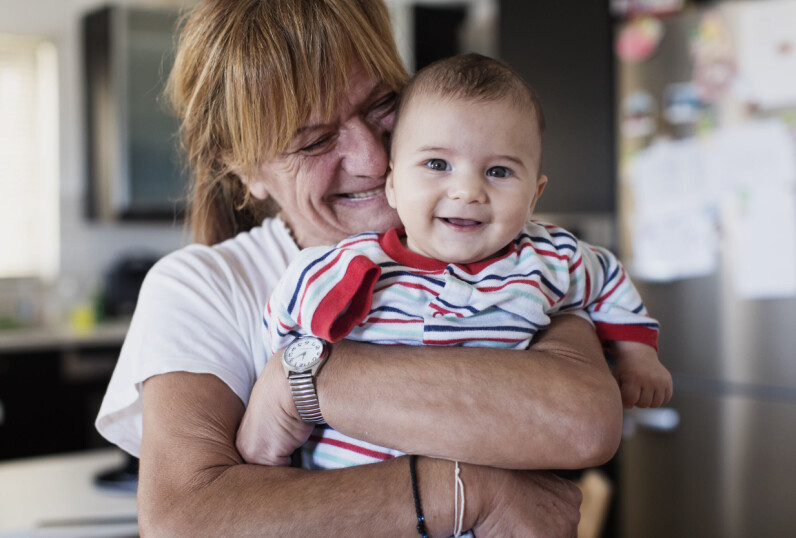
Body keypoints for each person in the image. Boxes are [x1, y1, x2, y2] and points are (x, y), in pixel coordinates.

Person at [96, 1, 625, 536]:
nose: (373, 159)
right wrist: (469, 492)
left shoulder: (502, 246)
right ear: (246, 169)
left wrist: (298, 382)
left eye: (382, 106)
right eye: (315, 140)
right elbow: (185, 522)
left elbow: (583, 423)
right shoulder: (204, 289)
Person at [253, 53, 673, 472]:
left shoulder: (549, 258)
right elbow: (287, 317)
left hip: (494, 490)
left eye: (499, 172)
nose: (468, 190)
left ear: (535, 195)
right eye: (437, 164)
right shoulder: (355, 264)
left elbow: (608, 281)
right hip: (356, 489)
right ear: (393, 184)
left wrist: (638, 357)